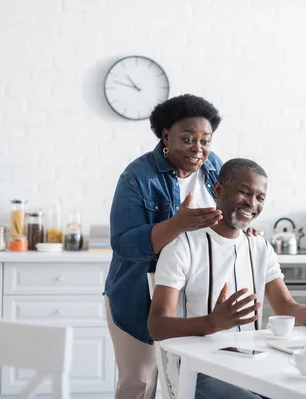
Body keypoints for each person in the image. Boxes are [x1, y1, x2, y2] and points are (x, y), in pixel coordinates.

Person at [148, 158, 306, 398]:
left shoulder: (259, 246)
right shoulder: (182, 245)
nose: (252, 204)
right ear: (218, 190)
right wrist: (212, 322)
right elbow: (157, 326)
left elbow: (287, 306)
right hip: (195, 370)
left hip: (252, 365)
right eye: (244, 192)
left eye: (260, 198)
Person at [104, 94, 257, 399]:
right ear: (165, 136)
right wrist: (178, 223)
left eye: (205, 141)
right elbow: (123, 244)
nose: (198, 149)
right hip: (138, 295)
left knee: (188, 381)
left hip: (193, 297)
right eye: (188, 139)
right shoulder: (138, 177)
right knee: (140, 382)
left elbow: (227, 214)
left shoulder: (214, 167)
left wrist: (243, 221)